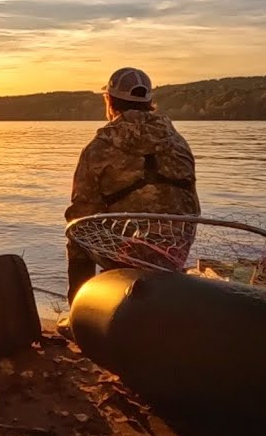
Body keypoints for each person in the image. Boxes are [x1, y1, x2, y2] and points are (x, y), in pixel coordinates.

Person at [64, 67, 200, 303]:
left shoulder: (99, 148)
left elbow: (81, 216)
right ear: (150, 102)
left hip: (124, 256)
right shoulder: (179, 143)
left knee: (78, 228)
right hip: (174, 253)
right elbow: (192, 205)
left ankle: (79, 308)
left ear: (109, 101)